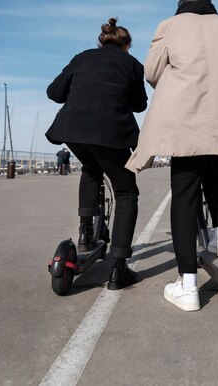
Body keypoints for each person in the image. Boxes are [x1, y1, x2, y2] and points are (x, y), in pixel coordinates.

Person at [126, 0, 218, 311]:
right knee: (214, 166)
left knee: (184, 192)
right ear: (210, 6)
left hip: (184, 117)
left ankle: (188, 285)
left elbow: (152, 72)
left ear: (181, 7)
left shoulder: (169, 26)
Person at [46, 18, 147, 290]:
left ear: (102, 41)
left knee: (91, 169)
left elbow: (54, 93)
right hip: (111, 133)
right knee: (126, 192)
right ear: (127, 45)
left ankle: (85, 233)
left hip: (73, 129)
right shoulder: (132, 64)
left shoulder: (82, 58)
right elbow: (139, 105)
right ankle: (117, 266)